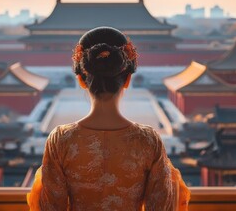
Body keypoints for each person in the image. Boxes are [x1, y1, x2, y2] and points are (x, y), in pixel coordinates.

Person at [27, 27, 190, 210]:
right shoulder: (148, 141)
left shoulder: (60, 140)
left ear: (81, 80)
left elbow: (50, 208)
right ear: (128, 79)